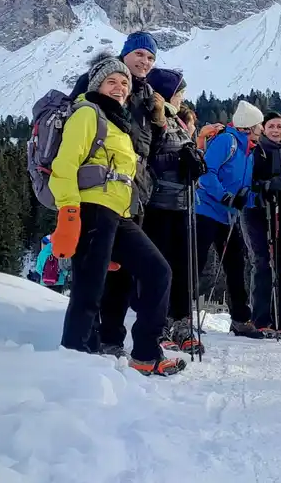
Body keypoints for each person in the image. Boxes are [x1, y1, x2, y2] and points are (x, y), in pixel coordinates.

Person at [51, 56, 183, 376]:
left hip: (118, 214)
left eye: (124, 83)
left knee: (158, 272)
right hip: (91, 210)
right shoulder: (87, 113)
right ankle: (73, 361)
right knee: (89, 291)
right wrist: (69, 212)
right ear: (97, 84)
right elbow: (64, 165)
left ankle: (145, 353)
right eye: (112, 81)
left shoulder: (118, 123)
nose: (120, 87)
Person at [68, 33, 164, 358]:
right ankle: (83, 347)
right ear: (125, 54)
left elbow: (149, 149)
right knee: (93, 277)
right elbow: (75, 143)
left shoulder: (149, 96)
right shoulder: (94, 91)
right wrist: (68, 209)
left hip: (131, 192)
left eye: (151, 58)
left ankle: (111, 339)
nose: (145, 62)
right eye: (139, 54)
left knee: (123, 272)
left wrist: (161, 122)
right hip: (96, 195)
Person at [144, 67, 208, 355]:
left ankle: (181, 321)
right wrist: (179, 158)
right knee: (162, 267)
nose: (182, 98)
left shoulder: (177, 121)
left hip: (182, 202)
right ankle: (158, 324)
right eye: (180, 92)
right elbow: (147, 153)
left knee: (184, 266)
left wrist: (193, 161)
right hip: (157, 204)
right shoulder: (153, 115)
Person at [194, 100, 266, 338]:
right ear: (248, 126)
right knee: (197, 264)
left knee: (236, 265)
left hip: (228, 215)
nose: (262, 129)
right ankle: (179, 316)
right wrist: (224, 196)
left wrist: (257, 200)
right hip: (206, 210)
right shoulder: (228, 141)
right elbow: (206, 171)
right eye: (259, 124)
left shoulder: (249, 150)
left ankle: (240, 319)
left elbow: (243, 187)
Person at [244, 111, 281, 339]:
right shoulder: (257, 151)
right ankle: (260, 319)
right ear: (263, 128)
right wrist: (264, 186)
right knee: (262, 262)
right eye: (272, 126)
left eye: (280, 126)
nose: (276, 130)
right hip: (256, 211)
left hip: (278, 212)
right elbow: (247, 179)